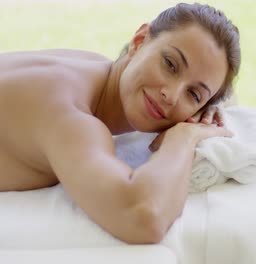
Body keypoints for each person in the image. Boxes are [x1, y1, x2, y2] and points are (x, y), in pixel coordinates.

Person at [0, 3, 240, 244]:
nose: (172, 94)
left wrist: (206, 105)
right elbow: (143, 217)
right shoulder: (69, 115)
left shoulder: (91, 67)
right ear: (139, 41)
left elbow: (231, 100)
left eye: (194, 94)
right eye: (170, 64)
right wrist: (184, 137)